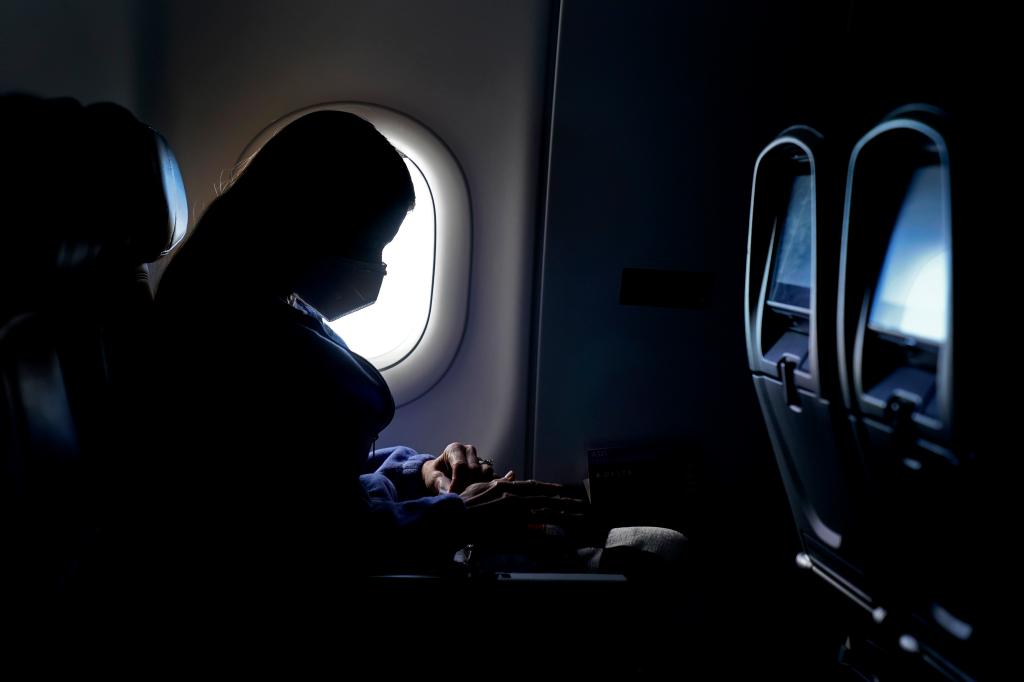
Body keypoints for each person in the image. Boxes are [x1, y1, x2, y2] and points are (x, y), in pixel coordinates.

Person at [153, 111, 584, 587]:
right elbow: (305, 538)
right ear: (309, 228)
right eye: (370, 248)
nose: (377, 271)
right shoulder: (230, 342)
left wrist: (420, 471)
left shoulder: (269, 306)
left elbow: (313, 483)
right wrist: (458, 515)